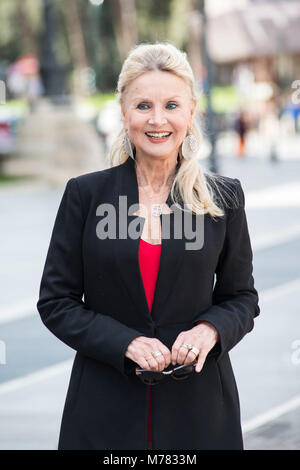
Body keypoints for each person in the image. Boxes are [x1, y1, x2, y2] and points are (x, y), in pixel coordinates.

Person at [37, 42, 260, 450]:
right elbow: (56, 302)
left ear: (191, 111)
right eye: (143, 106)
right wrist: (125, 342)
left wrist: (211, 329)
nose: (158, 120)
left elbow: (241, 298)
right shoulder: (85, 196)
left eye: (171, 105)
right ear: (124, 113)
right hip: (104, 410)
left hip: (201, 412)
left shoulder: (224, 198)